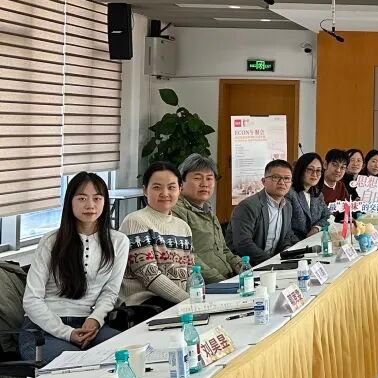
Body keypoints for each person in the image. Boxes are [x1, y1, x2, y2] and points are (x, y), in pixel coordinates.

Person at [20, 173, 128, 363]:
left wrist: (95, 319)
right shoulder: (50, 241)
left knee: (127, 353)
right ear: (70, 201)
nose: (90, 205)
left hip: (89, 325)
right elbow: (31, 300)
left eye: (97, 198)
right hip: (43, 330)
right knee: (80, 363)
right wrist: (66, 333)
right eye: (82, 198)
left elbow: (110, 291)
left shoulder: (119, 242)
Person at [120, 161, 194, 309]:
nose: (165, 193)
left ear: (180, 189)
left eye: (171, 187)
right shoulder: (135, 221)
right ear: (145, 190)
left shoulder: (183, 227)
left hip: (176, 303)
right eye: (157, 187)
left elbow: (191, 272)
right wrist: (188, 301)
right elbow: (149, 275)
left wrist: (196, 299)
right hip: (143, 306)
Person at [171, 154, 243, 284]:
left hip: (227, 279)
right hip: (203, 285)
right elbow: (188, 257)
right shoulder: (176, 212)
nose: (204, 184)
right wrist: (222, 281)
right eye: (197, 178)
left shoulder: (208, 211)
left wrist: (240, 265)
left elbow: (223, 249)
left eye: (209, 178)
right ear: (181, 183)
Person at [227, 159, 299, 266]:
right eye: (276, 177)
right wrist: (271, 262)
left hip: (272, 263)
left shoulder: (287, 206)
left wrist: (287, 251)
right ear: (264, 181)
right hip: (246, 266)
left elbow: (286, 236)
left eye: (287, 178)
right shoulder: (248, 206)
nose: (282, 182)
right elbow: (243, 244)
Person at [288, 152, 331, 238]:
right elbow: (286, 229)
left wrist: (316, 228)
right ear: (301, 170)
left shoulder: (317, 193)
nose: (314, 174)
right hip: (294, 243)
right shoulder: (289, 193)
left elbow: (327, 216)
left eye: (318, 170)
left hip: (313, 240)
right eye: (310, 169)